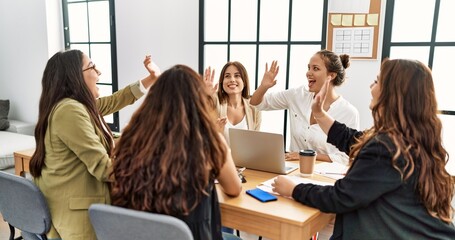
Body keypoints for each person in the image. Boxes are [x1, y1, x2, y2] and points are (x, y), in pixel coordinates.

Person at [272, 59, 455, 239]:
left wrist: (294, 189)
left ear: (392, 93)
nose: (370, 86)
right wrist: (319, 114)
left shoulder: (386, 147)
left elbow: (341, 198)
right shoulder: (410, 138)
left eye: (376, 81)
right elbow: (354, 140)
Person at [29, 49, 160, 240]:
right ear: (75, 76)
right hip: (78, 218)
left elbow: (115, 100)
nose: (99, 72)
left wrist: (151, 78)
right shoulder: (69, 110)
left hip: (73, 205)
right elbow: (103, 168)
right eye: (92, 67)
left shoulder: (74, 105)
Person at [110, 64, 242, 240]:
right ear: (198, 103)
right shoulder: (211, 142)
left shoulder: (132, 140)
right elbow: (234, 189)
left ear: (153, 102)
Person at [250, 50, 359, 165]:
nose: (308, 73)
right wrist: (264, 86)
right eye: (309, 68)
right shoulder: (297, 95)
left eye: (315, 68)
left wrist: (306, 155)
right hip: (293, 170)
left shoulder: (348, 112)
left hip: (326, 175)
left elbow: (347, 158)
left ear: (331, 76)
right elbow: (257, 103)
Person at [205, 61, 261, 145]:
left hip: (246, 158)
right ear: (222, 82)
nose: (232, 80)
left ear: (244, 81)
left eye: (237, 76)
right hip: (218, 157)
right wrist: (205, 95)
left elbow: (256, 143)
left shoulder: (254, 107)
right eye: (227, 76)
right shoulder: (214, 101)